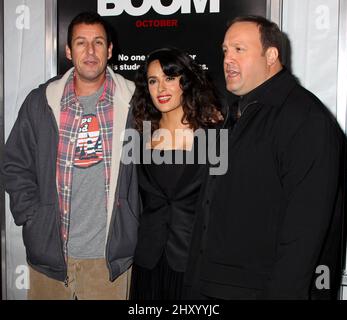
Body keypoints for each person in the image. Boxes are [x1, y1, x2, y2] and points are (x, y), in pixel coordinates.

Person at [184, 15, 345, 300]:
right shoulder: (238, 114)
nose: (227, 59)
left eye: (239, 49)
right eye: (225, 51)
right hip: (212, 287)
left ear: (271, 56)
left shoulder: (305, 118)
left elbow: (304, 236)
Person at [2, 11, 140, 300]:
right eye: (81, 42)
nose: (90, 51)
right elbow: (14, 163)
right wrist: (32, 217)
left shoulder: (134, 103)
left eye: (98, 42)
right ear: (68, 50)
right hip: (50, 257)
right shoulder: (41, 101)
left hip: (108, 261)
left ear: (110, 50)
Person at [129, 47, 223, 299]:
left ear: (186, 82)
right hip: (148, 262)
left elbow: (225, 205)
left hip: (196, 264)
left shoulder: (216, 138)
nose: (161, 88)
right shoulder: (136, 138)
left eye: (169, 78)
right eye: (153, 80)